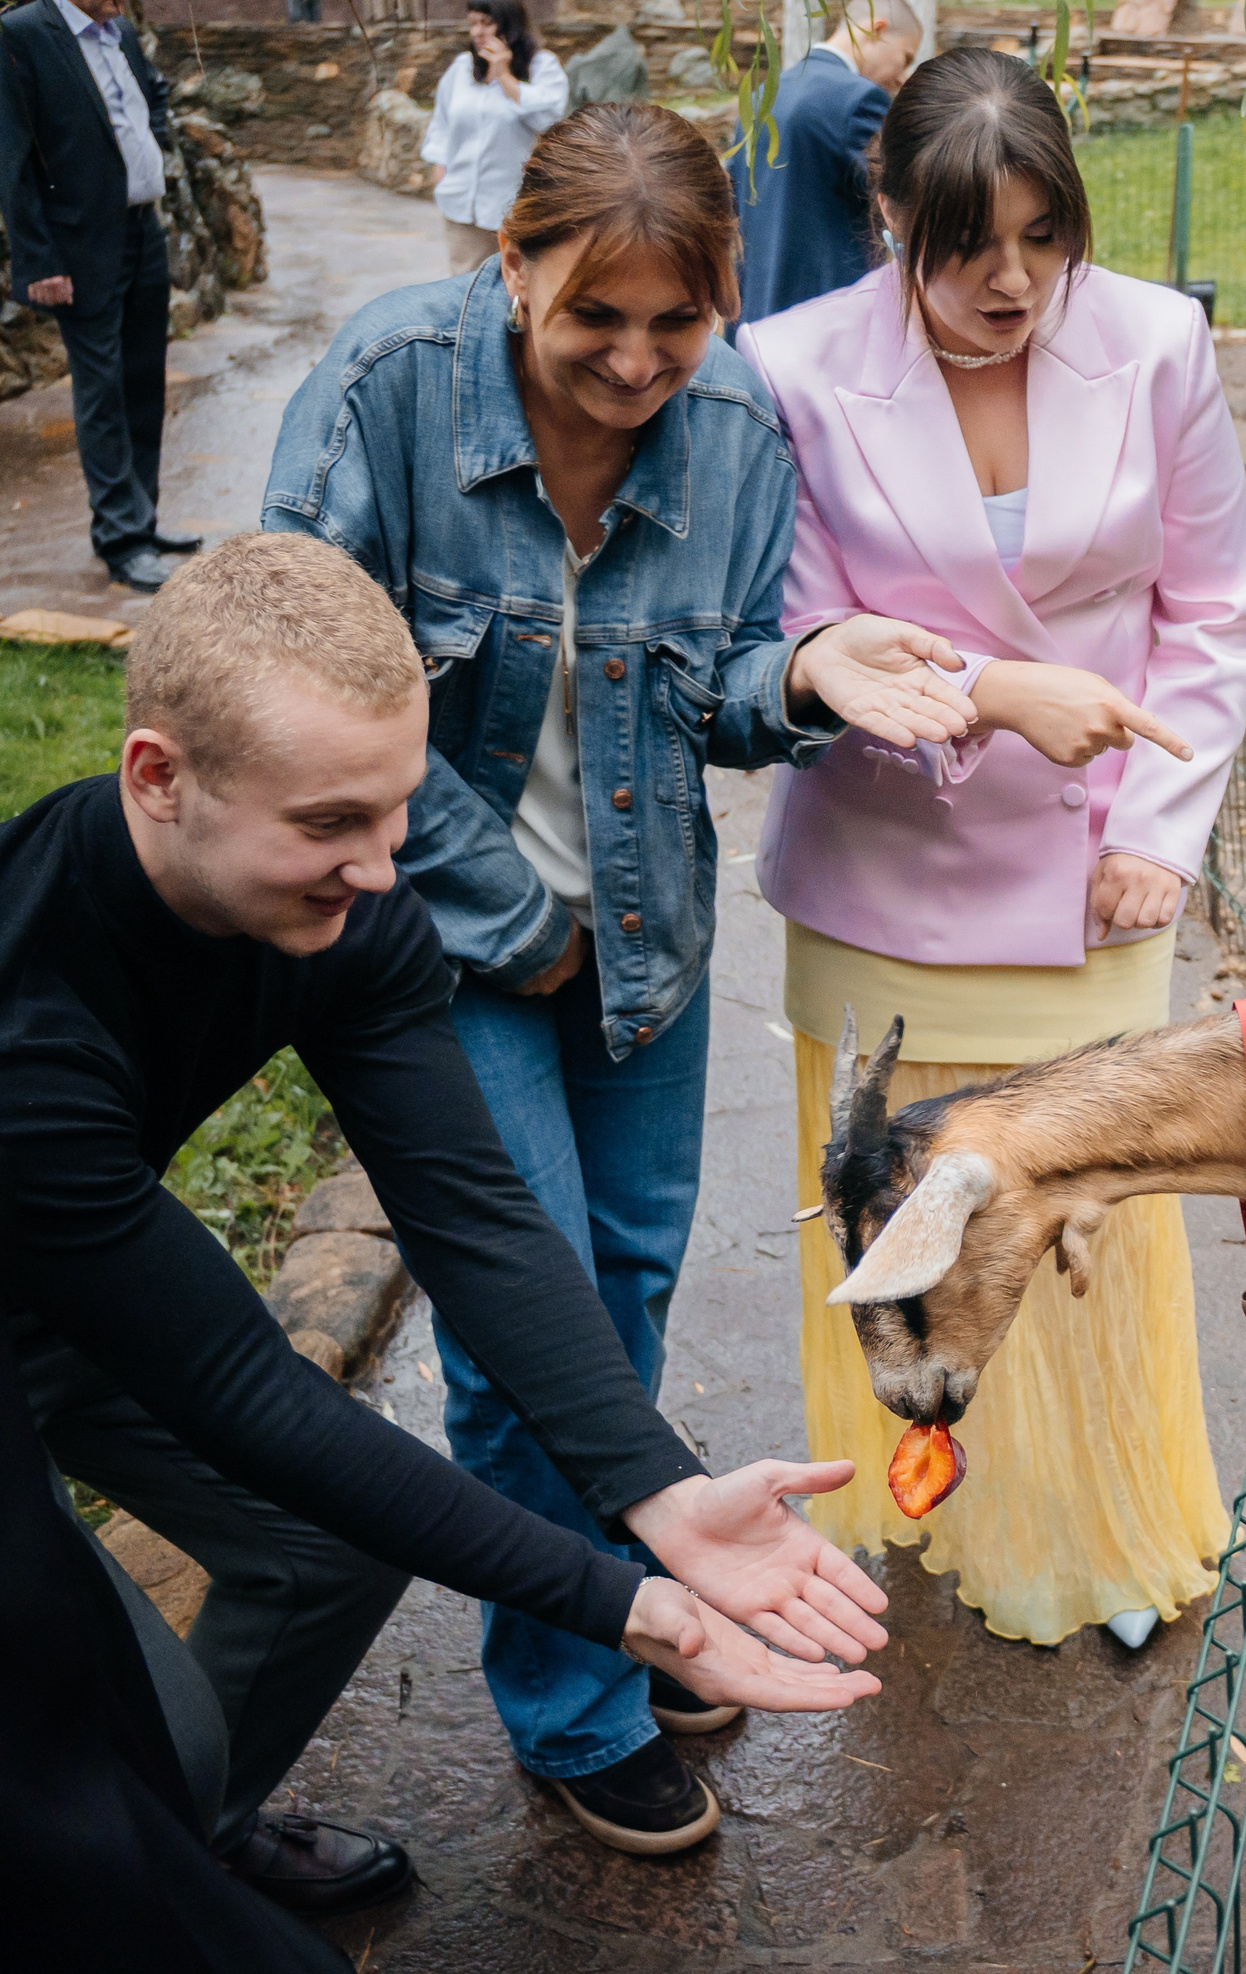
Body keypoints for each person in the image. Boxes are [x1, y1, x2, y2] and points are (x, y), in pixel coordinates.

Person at [261, 100, 1011, 1853]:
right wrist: (514, 921)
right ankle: (580, 1689)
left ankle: (629, 1581)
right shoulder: (382, 390)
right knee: (533, 1331)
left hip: (645, 942)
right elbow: (300, 685)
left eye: (679, 319)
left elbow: (717, 687)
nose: (637, 359)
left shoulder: (736, 423)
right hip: (431, 947)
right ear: (511, 261)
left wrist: (812, 673)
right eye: (596, 313)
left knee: (625, 1289)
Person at [0, 532, 887, 1959]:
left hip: (85, 1271)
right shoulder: (30, 1033)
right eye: (328, 822)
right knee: (96, 1766)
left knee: (323, 1553)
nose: (381, 865)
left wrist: (653, 1485)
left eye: (401, 806)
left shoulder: (347, 905)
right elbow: (244, 1390)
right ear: (158, 778)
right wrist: (622, 1600)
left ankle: (200, 1830)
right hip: (51, 1266)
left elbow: (472, 1213)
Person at [738, 48, 1246, 1649]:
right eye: (971, 245)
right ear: (888, 209)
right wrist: (985, 689)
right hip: (881, 873)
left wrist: (1163, 832)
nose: (1014, 281)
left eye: (1046, 236)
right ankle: (918, 1491)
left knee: (1085, 1207)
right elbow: (797, 620)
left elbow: (1215, 602)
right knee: (900, 1203)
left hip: (1097, 865)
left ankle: (1093, 1530)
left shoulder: (1159, 342)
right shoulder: (792, 365)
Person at [0, 0, 200, 592]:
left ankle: (141, 518)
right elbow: (10, 156)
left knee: (143, 379)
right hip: (80, 244)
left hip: (143, 230)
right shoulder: (21, 32)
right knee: (102, 388)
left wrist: (153, 140)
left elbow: (152, 97)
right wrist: (39, 260)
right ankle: (120, 539)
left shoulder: (121, 33)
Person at [729, 0, 920, 329]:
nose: (901, 77)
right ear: (878, 28)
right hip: (824, 319)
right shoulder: (858, 100)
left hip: (753, 314)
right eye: (905, 58)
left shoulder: (761, 95)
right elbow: (905, 201)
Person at [422, 0, 567, 276]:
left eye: (486, 23)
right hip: (461, 206)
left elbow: (549, 119)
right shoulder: (462, 68)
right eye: (472, 23)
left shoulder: (542, 66)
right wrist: (440, 175)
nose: (477, 32)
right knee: (465, 287)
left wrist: (504, 75)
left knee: (516, 289)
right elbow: (441, 124)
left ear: (510, 24)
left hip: (515, 208)